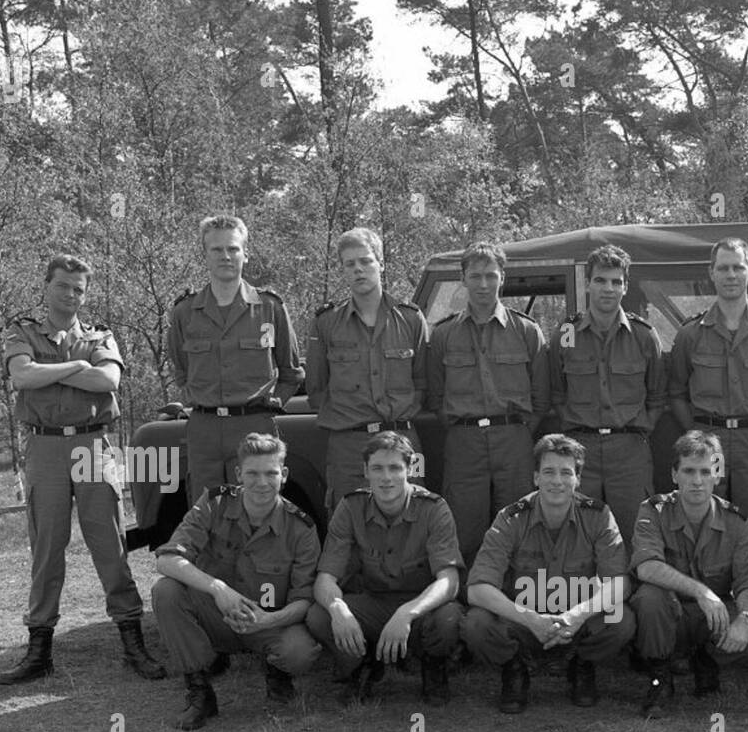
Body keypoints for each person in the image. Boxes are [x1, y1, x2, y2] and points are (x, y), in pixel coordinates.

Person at [0, 253, 165, 685]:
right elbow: (21, 376)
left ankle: (132, 642)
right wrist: (76, 366)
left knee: (109, 544)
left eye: (79, 289)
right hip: (45, 446)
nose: (71, 295)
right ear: (47, 286)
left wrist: (48, 372)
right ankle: (39, 651)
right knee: (47, 547)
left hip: (93, 444)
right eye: (63, 286)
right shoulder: (23, 330)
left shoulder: (99, 334)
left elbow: (108, 382)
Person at [151, 433, 321, 729]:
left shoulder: (301, 528)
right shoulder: (213, 504)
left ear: (284, 475)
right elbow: (166, 559)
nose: (262, 482)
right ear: (239, 474)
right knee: (166, 591)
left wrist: (268, 621)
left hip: (267, 620)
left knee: (300, 652)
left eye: (271, 473)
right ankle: (200, 690)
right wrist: (218, 588)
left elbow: (304, 600)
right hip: (217, 613)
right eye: (253, 473)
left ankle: (276, 670)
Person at [464, 434, 634, 712]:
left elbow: (620, 584)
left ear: (578, 479)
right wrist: (531, 619)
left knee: (622, 619)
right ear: (535, 477)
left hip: (578, 622)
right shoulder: (511, 518)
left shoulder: (598, 516)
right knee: (476, 623)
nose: (557, 481)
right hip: (524, 621)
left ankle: (581, 664)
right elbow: (477, 588)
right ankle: (515, 668)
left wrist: (576, 616)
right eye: (548, 472)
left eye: (566, 473)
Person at [306, 433, 463, 706]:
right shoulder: (350, 507)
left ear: (410, 469)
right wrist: (337, 609)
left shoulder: (433, 508)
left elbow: (449, 580)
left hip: (419, 608)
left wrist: (407, 612)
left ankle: (432, 664)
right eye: (377, 468)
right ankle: (362, 662)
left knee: (449, 616)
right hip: (373, 603)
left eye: (394, 468)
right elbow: (325, 578)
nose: (386, 477)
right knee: (319, 615)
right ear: (366, 471)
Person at [426, 241, 550, 563]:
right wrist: (463, 427)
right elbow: (436, 396)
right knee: (465, 526)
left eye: (491, 275)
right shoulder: (443, 335)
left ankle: (517, 599)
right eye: (476, 275)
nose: (484, 284)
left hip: (513, 440)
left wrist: (518, 431)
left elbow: (542, 396)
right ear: (463, 278)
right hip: (464, 441)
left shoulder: (526, 331)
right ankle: (469, 601)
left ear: (502, 278)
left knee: (519, 522)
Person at [166, 215, 301, 504]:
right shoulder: (185, 312)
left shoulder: (269, 308)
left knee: (259, 508)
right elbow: (181, 370)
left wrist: (272, 404)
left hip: (255, 424)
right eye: (216, 250)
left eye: (233, 249)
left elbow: (291, 372)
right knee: (207, 512)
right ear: (205, 255)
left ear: (245, 254)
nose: (225, 256)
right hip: (205, 428)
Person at [631, 430, 748, 714]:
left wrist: (746, 617)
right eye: (689, 471)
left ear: (718, 474)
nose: (697, 480)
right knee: (649, 597)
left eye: (706, 471)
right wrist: (701, 591)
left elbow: (744, 583)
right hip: (671, 613)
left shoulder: (737, 521)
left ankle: (706, 659)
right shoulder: (653, 510)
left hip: (711, 618)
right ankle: (660, 676)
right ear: (674, 474)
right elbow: (646, 566)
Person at [547, 244, 665, 550]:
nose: (608, 289)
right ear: (588, 283)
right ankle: (585, 596)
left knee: (634, 530)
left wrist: (637, 430)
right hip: (580, 448)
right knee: (579, 531)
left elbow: (657, 395)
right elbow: (557, 393)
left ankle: (635, 595)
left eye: (616, 281)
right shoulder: (567, 333)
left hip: (629, 450)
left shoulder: (643, 336)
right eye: (600, 280)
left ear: (625, 287)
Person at [667, 236, 748, 519]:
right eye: (723, 268)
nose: (731, 275)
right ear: (711, 273)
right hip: (708, 441)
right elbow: (676, 392)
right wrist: (700, 431)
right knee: (707, 517)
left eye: (738, 267)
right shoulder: (691, 334)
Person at [305, 228, 429, 511]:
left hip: (403, 440)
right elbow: (317, 388)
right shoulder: (327, 323)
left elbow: (424, 382)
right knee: (349, 521)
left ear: (381, 263)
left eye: (366, 261)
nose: (358, 270)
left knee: (414, 518)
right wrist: (350, 420)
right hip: (349, 445)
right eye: (350, 264)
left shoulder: (410, 319)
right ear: (343, 270)